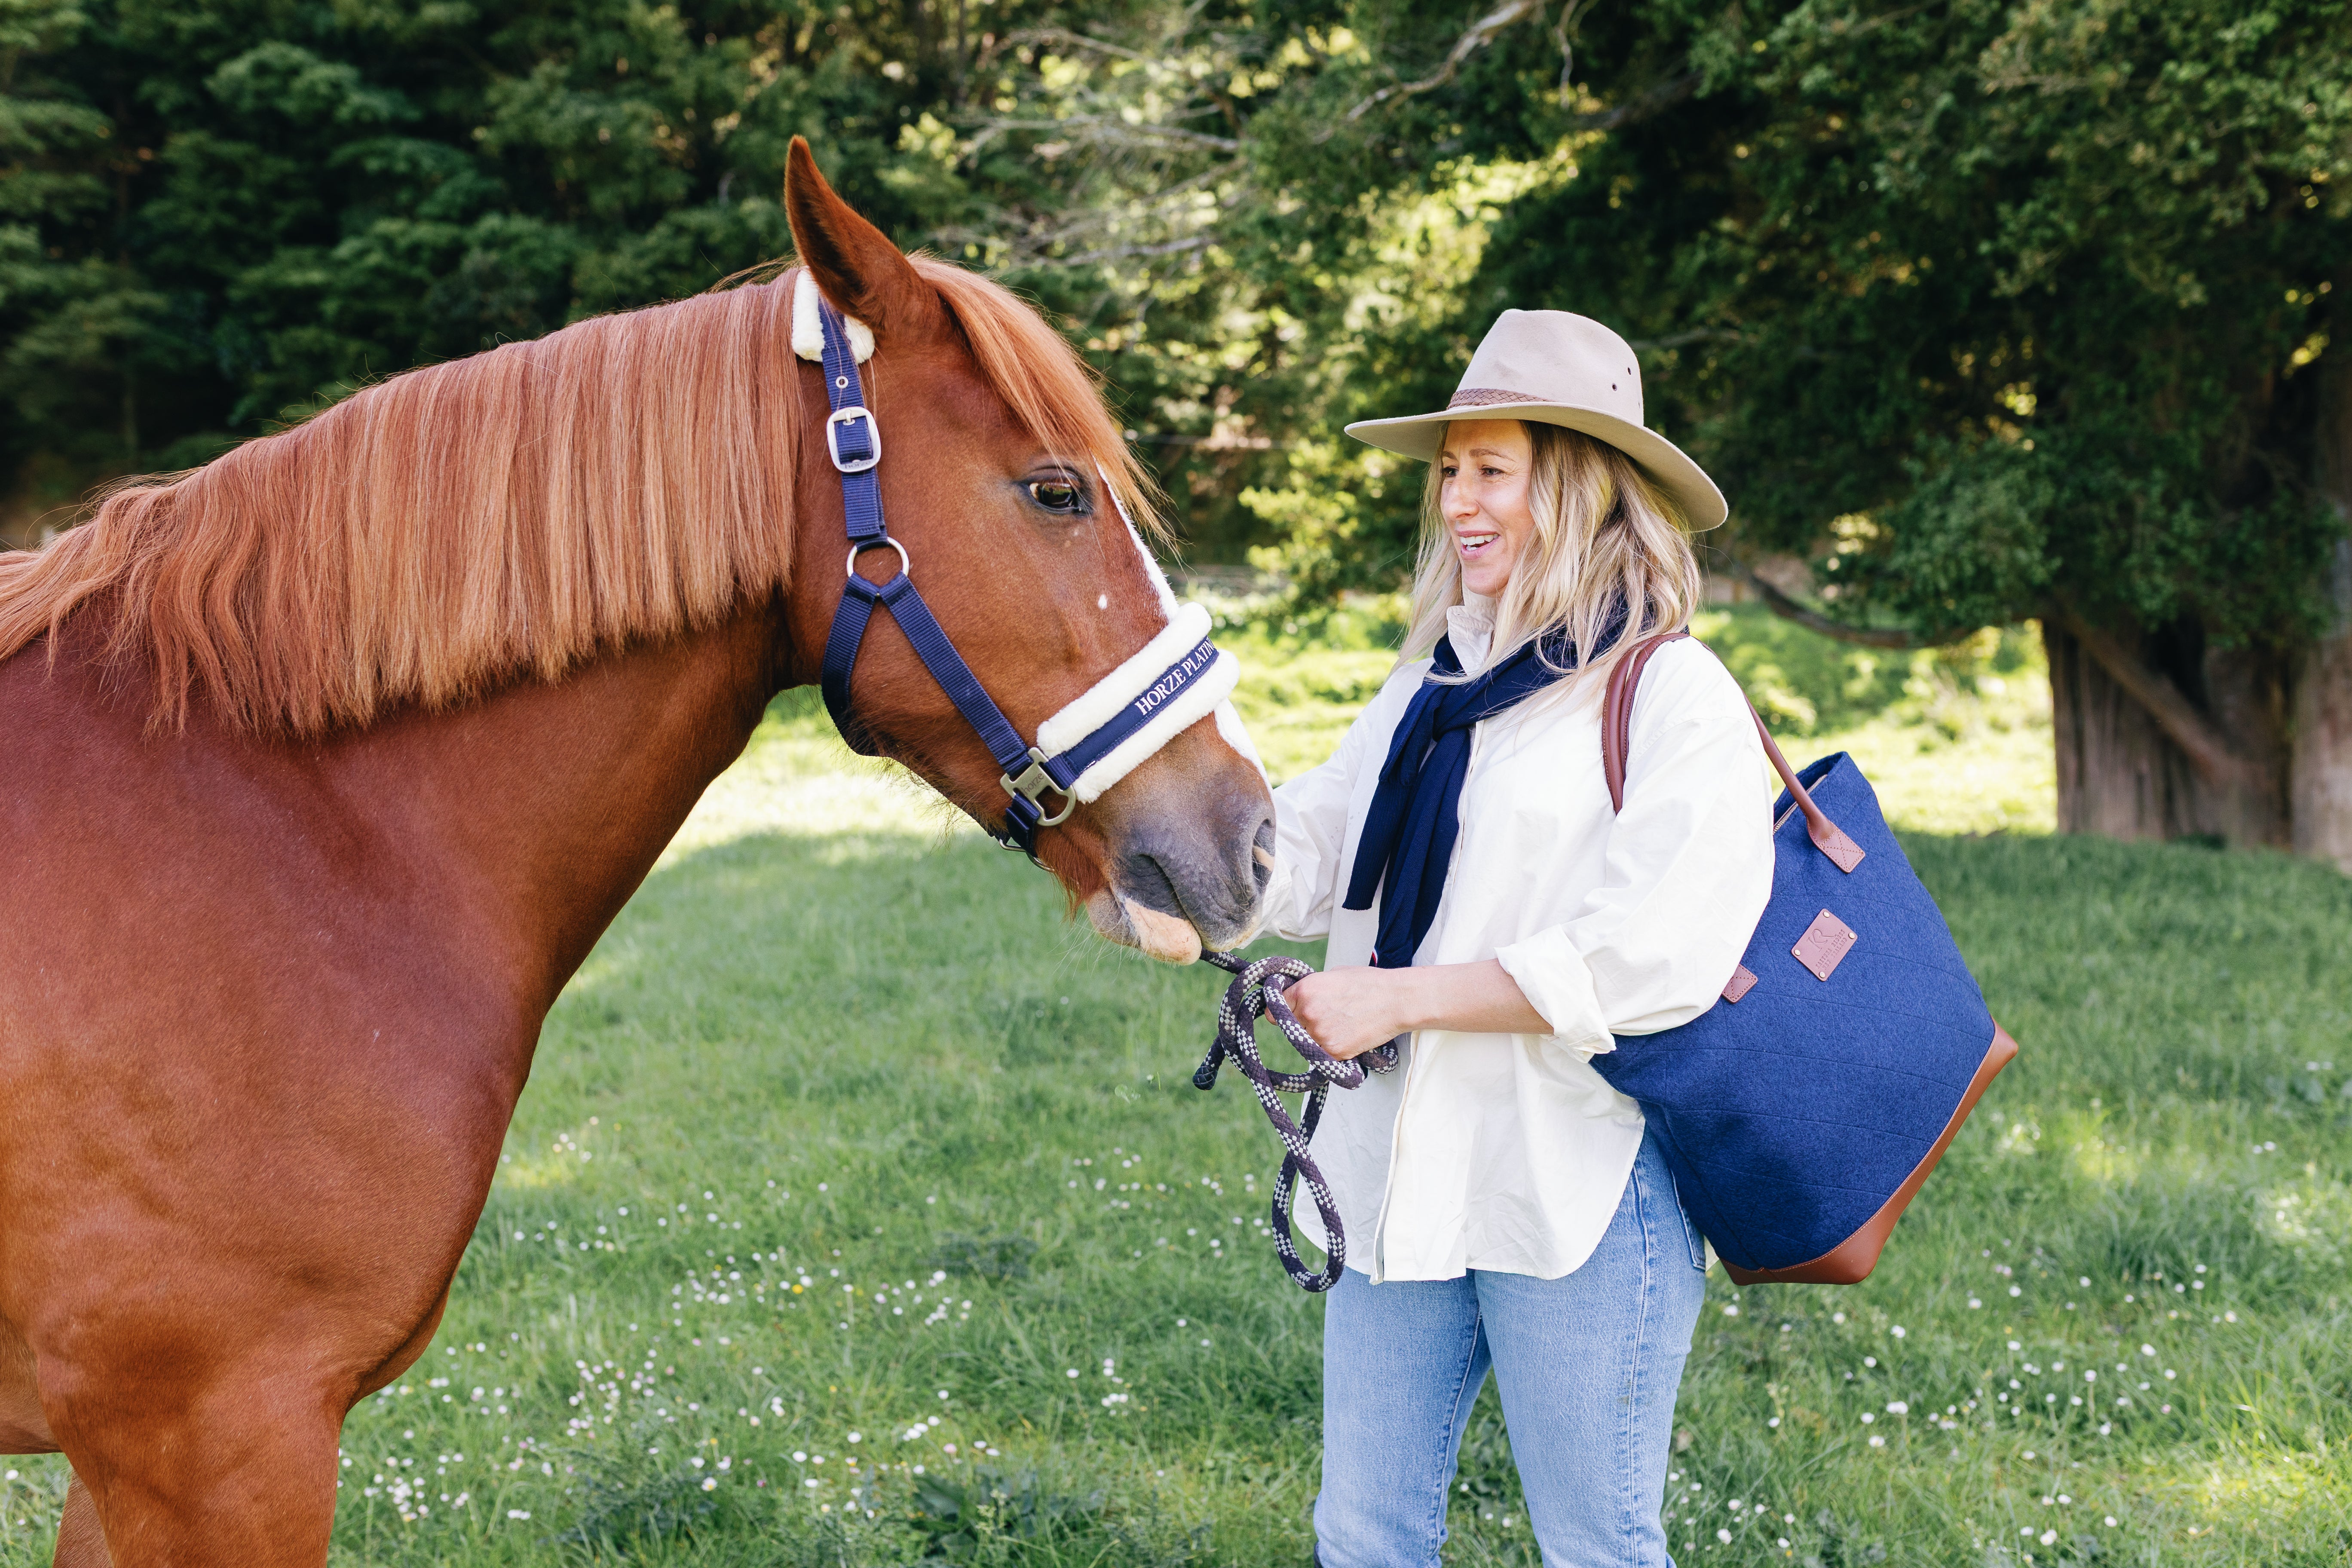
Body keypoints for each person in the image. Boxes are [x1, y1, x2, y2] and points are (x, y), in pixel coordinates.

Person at [1258, 309, 1775, 1568]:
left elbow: (1651, 957)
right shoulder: (1437, 677)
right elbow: (1326, 836)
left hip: (1575, 1181)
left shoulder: (1670, 693)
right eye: (1450, 473)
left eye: (1493, 470)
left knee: (1596, 1542)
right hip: (1400, 1166)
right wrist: (1190, 868)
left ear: (1585, 486)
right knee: (1365, 1531)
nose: (1459, 503)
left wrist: (1397, 1002)